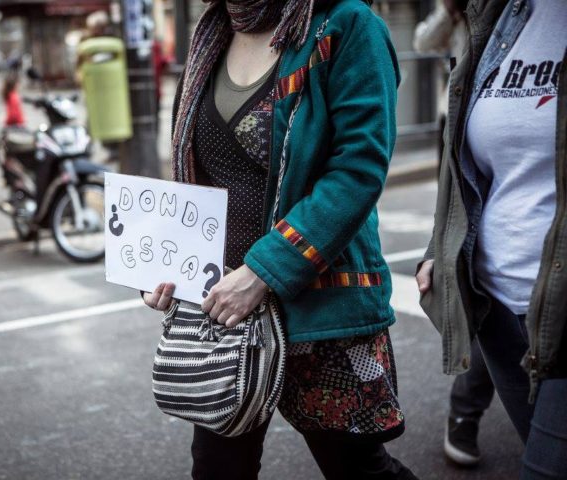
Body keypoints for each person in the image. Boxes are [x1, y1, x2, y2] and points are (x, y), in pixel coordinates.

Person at [143, 0, 417, 478]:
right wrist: (172, 265)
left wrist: (264, 271)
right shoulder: (213, 32)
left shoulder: (347, 24)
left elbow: (358, 170)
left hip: (324, 305)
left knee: (357, 470)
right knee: (217, 470)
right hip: (226, 309)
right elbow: (204, 180)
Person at [415, 0, 567, 477]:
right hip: (495, 306)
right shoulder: (496, 12)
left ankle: (463, 417)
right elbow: (470, 167)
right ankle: (463, 418)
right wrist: (438, 248)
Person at [412, 0, 496, 467]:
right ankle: (465, 413)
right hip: (460, 121)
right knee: (488, 295)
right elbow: (423, 42)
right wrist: (452, 11)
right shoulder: (465, 13)